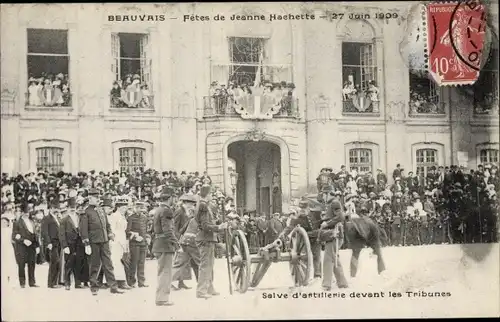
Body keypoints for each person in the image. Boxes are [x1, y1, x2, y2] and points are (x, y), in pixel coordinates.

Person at [79, 188, 124, 295]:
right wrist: (86, 244)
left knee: (108, 264)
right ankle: (94, 287)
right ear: (90, 198)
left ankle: (113, 287)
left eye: (98, 197)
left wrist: (110, 233)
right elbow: (83, 229)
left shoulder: (101, 210)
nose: (98, 199)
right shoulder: (85, 212)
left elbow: (107, 225)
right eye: (96, 198)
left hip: (104, 240)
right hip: (93, 241)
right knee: (94, 265)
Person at [195, 184, 227, 299]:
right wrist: (219, 227)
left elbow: (209, 222)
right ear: (207, 194)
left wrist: (217, 222)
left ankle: (209, 287)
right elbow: (205, 225)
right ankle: (201, 291)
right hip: (205, 238)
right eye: (211, 194)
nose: (212, 196)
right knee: (205, 265)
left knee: (210, 265)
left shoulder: (205, 205)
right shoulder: (203, 206)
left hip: (208, 238)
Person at [151, 188, 178, 306]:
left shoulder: (158, 209)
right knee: (166, 272)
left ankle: (160, 297)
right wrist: (176, 243)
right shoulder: (167, 211)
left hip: (158, 243)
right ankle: (162, 298)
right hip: (165, 245)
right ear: (170, 198)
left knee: (162, 271)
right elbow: (168, 230)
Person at [318, 199, 349, 290]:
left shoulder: (334, 203)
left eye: (325, 193)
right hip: (331, 235)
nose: (323, 195)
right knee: (334, 258)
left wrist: (327, 223)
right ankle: (342, 282)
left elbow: (341, 216)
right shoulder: (330, 204)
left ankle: (326, 285)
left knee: (328, 259)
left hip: (334, 234)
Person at [171, 194, 199, 289]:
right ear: (185, 202)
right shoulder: (179, 211)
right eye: (190, 203)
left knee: (185, 262)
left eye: (193, 203)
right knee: (180, 262)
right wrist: (177, 240)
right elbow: (175, 226)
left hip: (186, 237)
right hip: (181, 238)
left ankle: (181, 282)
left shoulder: (187, 211)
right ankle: (170, 282)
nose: (192, 205)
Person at [59, 197, 87, 290]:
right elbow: (62, 234)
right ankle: (67, 283)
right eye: (71, 207)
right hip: (69, 244)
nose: (72, 209)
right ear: (67, 208)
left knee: (78, 263)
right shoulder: (64, 219)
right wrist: (64, 246)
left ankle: (78, 283)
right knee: (69, 263)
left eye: (74, 207)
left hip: (79, 244)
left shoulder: (79, 217)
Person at [11, 203, 40, 288]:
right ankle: (22, 282)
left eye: (28, 212)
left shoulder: (31, 222)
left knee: (32, 263)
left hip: (32, 246)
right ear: (22, 213)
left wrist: (37, 246)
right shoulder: (17, 223)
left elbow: (35, 235)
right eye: (25, 212)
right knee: (21, 264)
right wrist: (23, 241)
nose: (27, 214)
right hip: (22, 247)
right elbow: (14, 236)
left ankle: (32, 282)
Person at [105, 197, 130, 290]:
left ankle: (121, 281)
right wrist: (115, 240)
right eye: (123, 207)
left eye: (125, 207)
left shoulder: (122, 217)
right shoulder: (114, 216)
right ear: (118, 207)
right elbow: (112, 229)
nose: (125, 209)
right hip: (116, 241)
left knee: (120, 261)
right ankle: (118, 282)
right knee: (116, 261)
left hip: (121, 240)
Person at [126, 200, 150, 288]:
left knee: (142, 263)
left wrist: (147, 237)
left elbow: (146, 230)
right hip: (134, 243)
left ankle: (141, 282)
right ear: (134, 208)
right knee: (134, 262)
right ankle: (131, 282)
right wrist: (136, 237)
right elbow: (127, 231)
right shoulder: (130, 218)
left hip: (143, 243)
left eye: (141, 208)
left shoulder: (144, 217)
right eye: (138, 208)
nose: (140, 209)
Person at [41, 205, 62, 288]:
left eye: (56, 207)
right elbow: (44, 231)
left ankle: (55, 282)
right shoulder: (47, 218)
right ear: (50, 209)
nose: (55, 209)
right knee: (54, 262)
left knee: (57, 262)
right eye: (53, 208)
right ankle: (51, 283)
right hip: (52, 243)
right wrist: (48, 242)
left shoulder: (56, 218)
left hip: (58, 242)